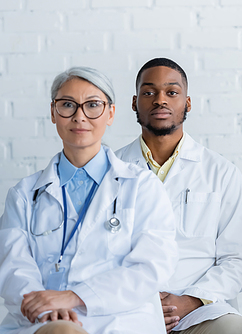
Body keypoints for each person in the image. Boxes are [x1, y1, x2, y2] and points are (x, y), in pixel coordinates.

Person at [0, 67, 178, 334]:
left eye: (92, 105)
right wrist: (46, 305)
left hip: (118, 321)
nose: (79, 116)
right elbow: (13, 266)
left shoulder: (142, 187)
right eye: (67, 105)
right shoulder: (24, 195)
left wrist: (74, 297)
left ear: (110, 113)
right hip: (41, 321)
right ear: (53, 113)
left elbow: (152, 266)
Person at [116, 58, 242, 334]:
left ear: (188, 103)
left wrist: (189, 300)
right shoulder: (110, 171)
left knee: (232, 328)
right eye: (149, 92)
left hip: (200, 310)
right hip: (127, 309)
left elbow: (241, 260)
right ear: (134, 103)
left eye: (171, 92)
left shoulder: (221, 173)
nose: (160, 100)